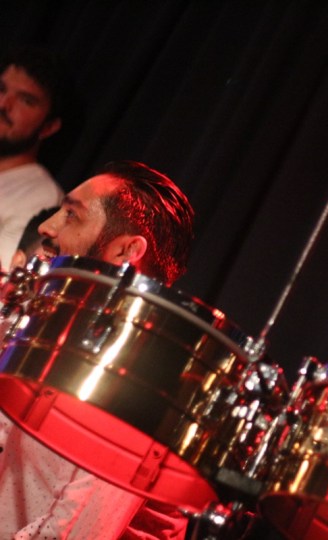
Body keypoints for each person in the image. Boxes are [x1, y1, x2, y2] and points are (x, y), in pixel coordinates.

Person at [0, 160, 195, 539]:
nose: (46, 227)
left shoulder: (146, 391)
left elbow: (68, 535)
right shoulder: (27, 323)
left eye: (71, 214)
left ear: (126, 251)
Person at [0, 46, 68, 271]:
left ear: (49, 127)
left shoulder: (42, 198)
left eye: (26, 100)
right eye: (1, 89)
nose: (4, 104)